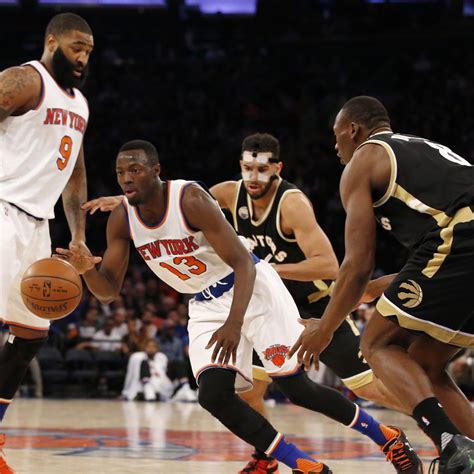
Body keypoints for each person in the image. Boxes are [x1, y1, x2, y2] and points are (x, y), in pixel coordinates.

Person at [68, 139, 422, 474]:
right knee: (213, 396)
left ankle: (387, 437)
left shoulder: (190, 199)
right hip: (205, 302)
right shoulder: (122, 219)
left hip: (252, 289)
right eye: (120, 172)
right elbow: (108, 292)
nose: (127, 178)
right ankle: (305, 465)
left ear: (156, 170)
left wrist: (234, 325)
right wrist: (86, 271)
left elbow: (243, 264)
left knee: (296, 389)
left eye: (135, 170)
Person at [290, 96, 474, 473]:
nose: (335, 146)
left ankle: (450, 444)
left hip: (462, 238)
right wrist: (373, 290)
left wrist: (325, 329)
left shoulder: (364, 159)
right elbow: (429, 267)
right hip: (460, 246)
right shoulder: (418, 150)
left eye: (336, 135)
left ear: (353, 129)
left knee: (376, 343)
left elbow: (358, 265)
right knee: (426, 363)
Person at [210, 132, 409, 473]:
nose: (253, 177)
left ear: (278, 168)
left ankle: (440, 425)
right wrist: (130, 205)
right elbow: (182, 203)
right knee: (250, 391)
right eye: (247, 168)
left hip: (315, 306)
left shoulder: (292, 204)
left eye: (262, 169)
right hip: (270, 307)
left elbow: (328, 264)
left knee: (367, 386)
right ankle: (266, 458)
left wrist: (265, 269)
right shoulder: (228, 193)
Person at [0, 13, 96, 472]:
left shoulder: (80, 104)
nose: (83, 58)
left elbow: (74, 174)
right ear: (52, 41)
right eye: (77, 47)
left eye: (89, 51)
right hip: (2, 208)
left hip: (39, 225)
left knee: (30, 337)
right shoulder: (26, 80)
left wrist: (78, 235)